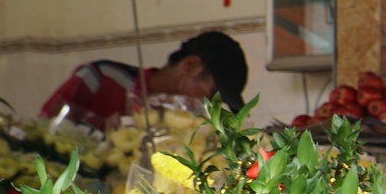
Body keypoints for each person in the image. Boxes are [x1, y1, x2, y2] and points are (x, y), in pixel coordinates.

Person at [39, 31, 248, 131]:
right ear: (190, 66)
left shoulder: (187, 131)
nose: (208, 107)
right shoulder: (101, 78)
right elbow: (41, 132)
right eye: (211, 95)